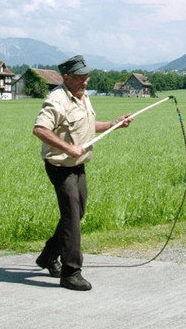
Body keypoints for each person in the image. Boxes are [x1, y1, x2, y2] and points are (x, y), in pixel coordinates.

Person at [32, 54, 132, 291]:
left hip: (78, 166)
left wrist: (113, 124)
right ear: (66, 77)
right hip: (60, 167)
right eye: (80, 77)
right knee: (71, 217)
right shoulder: (57, 100)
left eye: (86, 76)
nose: (85, 81)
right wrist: (68, 148)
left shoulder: (82, 96)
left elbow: (87, 125)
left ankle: (48, 256)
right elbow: (40, 129)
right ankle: (71, 272)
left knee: (77, 214)